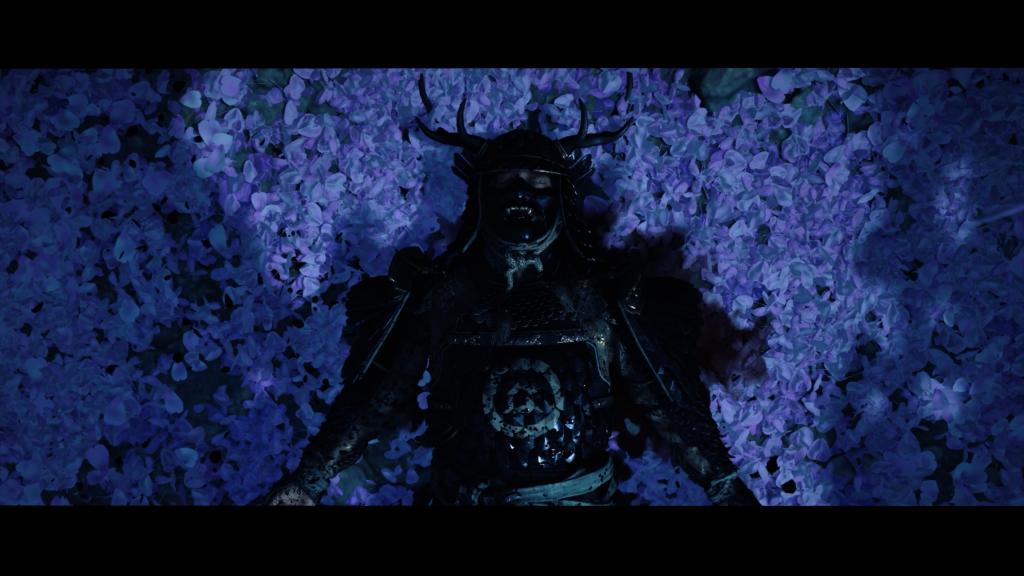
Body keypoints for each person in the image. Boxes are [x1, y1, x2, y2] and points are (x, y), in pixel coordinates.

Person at [265, 77, 759, 506]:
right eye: (506, 182)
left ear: (560, 199)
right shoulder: (443, 298)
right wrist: (309, 481)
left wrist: (725, 486)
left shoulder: (600, 298)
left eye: (538, 183)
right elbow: (377, 399)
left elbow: (665, 403)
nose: (522, 193)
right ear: (482, 196)